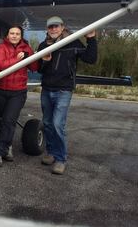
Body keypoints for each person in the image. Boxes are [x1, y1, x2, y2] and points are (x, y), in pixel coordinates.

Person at [38, 16, 97, 175]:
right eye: (50, 27)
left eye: (56, 26)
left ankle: (61, 159)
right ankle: (50, 152)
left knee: (58, 124)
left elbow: (91, 59)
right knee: (48, 123)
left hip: (63, 90)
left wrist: (91, 39)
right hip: (47, 89)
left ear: (62, 27)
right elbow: (39, 69)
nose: (53, 29)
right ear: (47, 30)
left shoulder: (73, 43)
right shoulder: (43, 45)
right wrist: (45, 61)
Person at [0, 25, 39, 167]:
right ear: (7, 35)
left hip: (18, 92)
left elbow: (34, 68)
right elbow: (1, 64)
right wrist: (18, 60)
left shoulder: (26, 48)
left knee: (9, 121)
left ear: (21, 35)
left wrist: (30, 56)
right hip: (0, 90)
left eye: (17, 33)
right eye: (11, 33)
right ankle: (7, 145)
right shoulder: (1, 47)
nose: (14, 36)